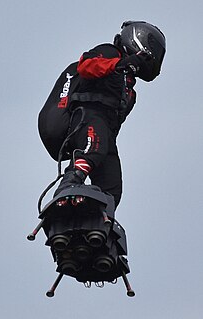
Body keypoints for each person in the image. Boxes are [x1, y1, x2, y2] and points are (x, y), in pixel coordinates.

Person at [38, 20, 166, 209]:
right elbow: (86, 66)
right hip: (87, 116)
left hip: (105, 132)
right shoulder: (110, 52)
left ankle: (101, 217)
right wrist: (123, 63)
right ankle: (68, 186)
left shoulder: (129, 90)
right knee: (93, 149)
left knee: (112, 184)